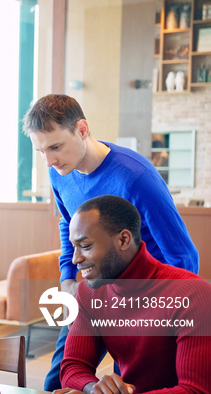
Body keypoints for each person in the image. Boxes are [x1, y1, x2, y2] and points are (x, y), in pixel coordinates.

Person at [22, 94, 199, 391]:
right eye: (41, 151)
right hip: (96, 290)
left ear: (82, 129)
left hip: (147, 292)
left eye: (55, 147)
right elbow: (68, 224)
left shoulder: (136, 176)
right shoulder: (59, 173)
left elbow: (183, 255)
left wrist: (166, 309)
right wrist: (67, 276)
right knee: (58, 379)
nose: (49, 161)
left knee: (132, 381)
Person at [56, 195, 211, 393]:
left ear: (123, 239)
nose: (76, 259)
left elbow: (195, 390)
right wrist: (94, 389)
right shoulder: (89, 293)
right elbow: (72, 366)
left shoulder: (193, 295)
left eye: (85, 246)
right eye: (74, 247)